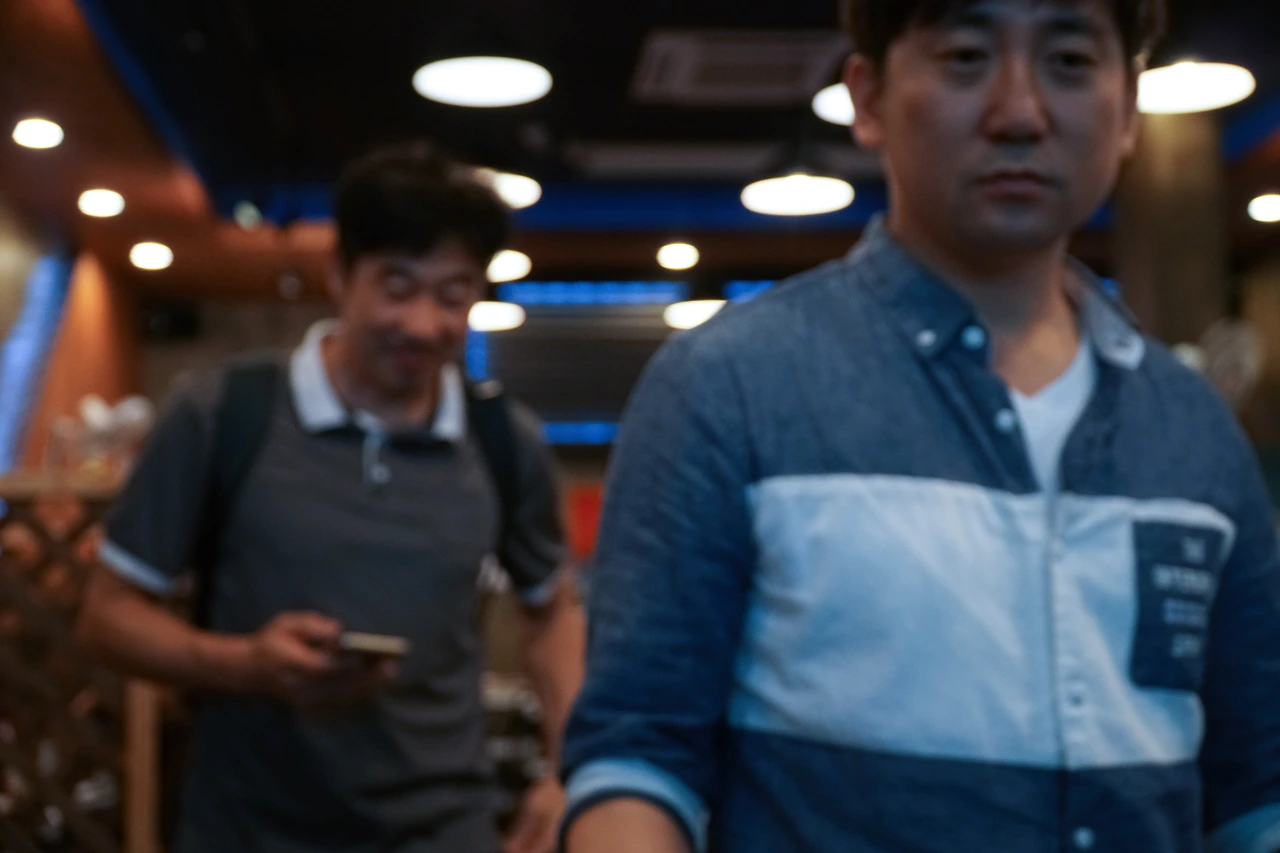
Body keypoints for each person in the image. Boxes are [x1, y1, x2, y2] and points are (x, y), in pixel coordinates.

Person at [561, 1, 1280, 851]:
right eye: (967, 56)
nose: (1020, 112)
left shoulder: (1193, 427)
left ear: (1127, 108)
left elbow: (1254, 789)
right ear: (868, 98)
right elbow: (639, 760)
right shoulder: (727, 386)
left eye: (1070, 62)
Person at [77, 142, 584, 853]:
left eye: (453, 294)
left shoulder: (503, 438)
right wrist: (244, 663)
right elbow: (107, 617)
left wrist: (568, 770)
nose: (423, 325)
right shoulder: (223, 413)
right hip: (247, 831)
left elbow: (552, 608)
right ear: (339, 274)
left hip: (446, 831)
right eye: (397, 287)